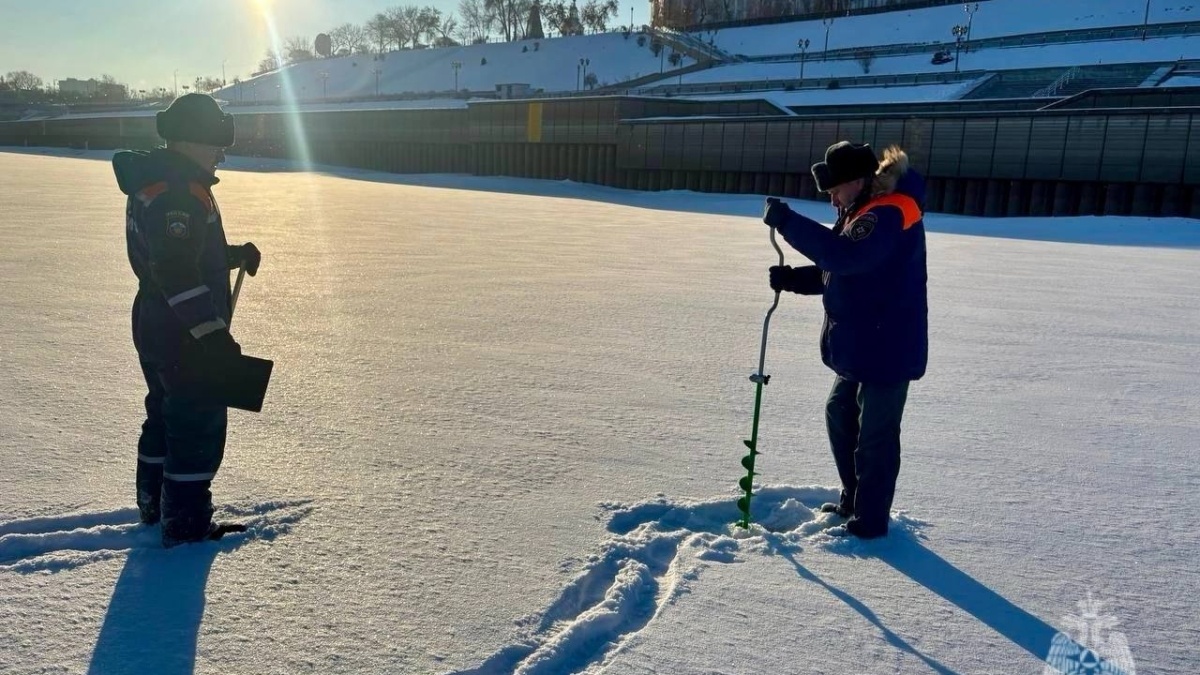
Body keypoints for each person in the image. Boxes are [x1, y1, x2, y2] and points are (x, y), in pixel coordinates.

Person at [112, 93, 261, 546]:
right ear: (190, 140)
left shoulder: (158, 181)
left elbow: (176, 255)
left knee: (164, 411)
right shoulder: (179, 193)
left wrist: (231, 255)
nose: (221, 154)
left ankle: (155, 507)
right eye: (215, 143)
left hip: (155, 319)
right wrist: (211, 334)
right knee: (196, 420)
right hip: (182, 329)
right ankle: (186, 524)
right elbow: (176, 270)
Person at [762, 141, 928, 539]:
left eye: (835, 190)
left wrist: (788, 222)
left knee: (875, 435)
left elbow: (846, 258)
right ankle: (854, 499)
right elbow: (840, 270)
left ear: (857, 181)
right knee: (839, 412)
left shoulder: (890, 211)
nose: (832, 200)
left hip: (887, 346)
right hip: (862, 345)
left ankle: (871, 522)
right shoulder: (862, 210)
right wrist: (794, 279)